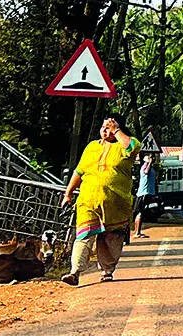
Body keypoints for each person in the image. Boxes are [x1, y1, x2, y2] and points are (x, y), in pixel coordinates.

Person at [61, 115, 139, 286]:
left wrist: (116, 130)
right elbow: (79, 171)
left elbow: (131, 147)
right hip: (88, 201)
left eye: (109, 127)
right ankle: (75, 272)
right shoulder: (91, 147)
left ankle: (107, 270)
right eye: (103, 126)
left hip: (116, 205)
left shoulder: (127, 144)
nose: (106, 130)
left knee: (111, 239)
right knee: (83, 236)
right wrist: (68, 193)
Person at [132, 152, 157, 239]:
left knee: (142, 212)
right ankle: (137, 233)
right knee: (140, 212)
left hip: (147, 193)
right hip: (143, 193)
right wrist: (149, 162)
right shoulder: (145, 167)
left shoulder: (150, 167)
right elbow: (146, 172)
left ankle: (138, 232)